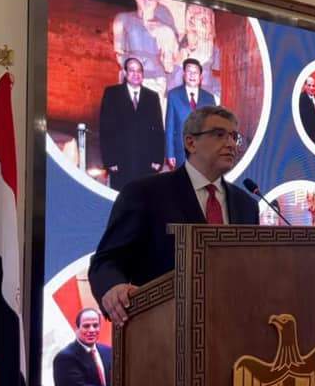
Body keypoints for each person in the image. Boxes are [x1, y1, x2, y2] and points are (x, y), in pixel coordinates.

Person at [89, 106, 260, 325]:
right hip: (163, 330)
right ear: (191, 143)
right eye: (219, 134)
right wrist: (113, 287)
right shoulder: (145, 194)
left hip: (232, 329)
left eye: (234, 137)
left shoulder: (246, 205)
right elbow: (107, 261)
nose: (230, 144)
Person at [98, 57, 164, 191]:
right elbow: (105, 130)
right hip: (120, 163)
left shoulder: (152, 97)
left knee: (144, 199)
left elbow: (158, 130)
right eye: (132, 70)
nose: (136, 74)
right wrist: (109, 161)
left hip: (146, 164)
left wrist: (158, 159)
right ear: (125, 73)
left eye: (139, 71)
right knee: (123, 199)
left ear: (143, 74)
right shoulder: (112, 94)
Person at [53, 309, 111, 386]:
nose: (91, 330)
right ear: (77, 329)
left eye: (95, 325)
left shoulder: (108, 352)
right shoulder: (65, 358)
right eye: (86, 326)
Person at [165, 58, 217, 169]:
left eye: (195, 72)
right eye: (189, 71)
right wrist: (170, 153)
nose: (192, 75)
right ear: (184, 75)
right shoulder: (174, 95)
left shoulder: (209, 98)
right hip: (181, 152)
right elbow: (170, 127)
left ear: (201, 77)